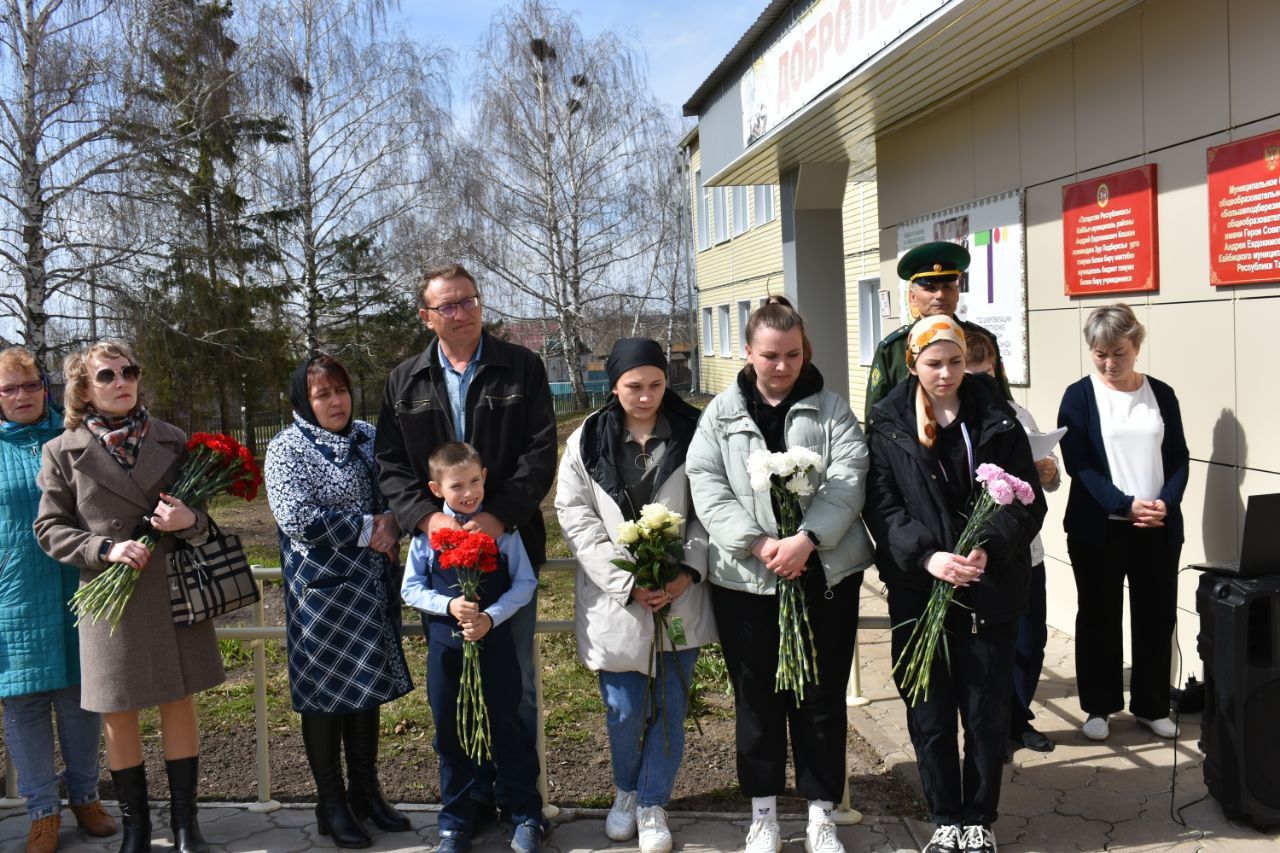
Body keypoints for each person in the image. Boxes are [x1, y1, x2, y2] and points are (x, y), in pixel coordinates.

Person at [686, 296, 875, 853]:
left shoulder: (831, 408)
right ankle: (762, 813)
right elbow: (707, 484)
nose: (783, 366)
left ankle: (821, 810)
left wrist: (807, 540)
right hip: (747, 579)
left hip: (822, 577)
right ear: (748, 352)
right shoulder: (720, 414)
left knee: (820, 696)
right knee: (757, 698)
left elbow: (848, 478)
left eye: (793, 354)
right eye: (770, 355)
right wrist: (760, 542)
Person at [375, 263, 556, 825]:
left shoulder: (520, 367)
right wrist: (427, 522)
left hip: (506, 552)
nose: (463, 312)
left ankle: (520, 801)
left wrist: (501, 516)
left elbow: (540, 450)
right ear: (427, 317)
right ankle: (472, 800)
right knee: (455, 692)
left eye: (469, 300)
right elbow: (390, 463)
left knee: (515, 687)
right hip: (441, 563)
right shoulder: (405, 380)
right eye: (448, 305)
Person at [35, 340, 226, 853]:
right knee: (119, 712)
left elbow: (203, 518)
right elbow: (48, 528)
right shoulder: (61, 450)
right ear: (83, 388)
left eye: (129, 371)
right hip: (108, 598)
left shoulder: (172, 439)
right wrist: (103, 548)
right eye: (106, 375)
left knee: (179, 701)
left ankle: (187, 827)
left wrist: (189, 521)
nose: (121, 381)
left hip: (171, 592)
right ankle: (138, 832)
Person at [863, 317, 1045, 853]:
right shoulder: (889, 422)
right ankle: (945, 815)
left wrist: (987, 546)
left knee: (987, 711)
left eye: (955, 362)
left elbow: (1026, 499)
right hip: (921, 592)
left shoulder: (998, 418)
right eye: (934, 363)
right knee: (931, 709)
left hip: (989, 587)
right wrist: (928, 558)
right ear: (914, 363)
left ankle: (979, 818)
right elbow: (882, 503)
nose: (946, 374)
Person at [554, 338, 717, 853]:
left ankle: (651, 804)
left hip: (678, 596)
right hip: (616, 597)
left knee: (670, 706)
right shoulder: (587, 438)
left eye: (655, 384)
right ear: (614, 385)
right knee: (623, 708)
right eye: (633, 386)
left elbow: (710, 508)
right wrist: (627, 579)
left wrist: (685, 571)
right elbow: (575, 514)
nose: (645, 396)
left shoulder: (696, 432)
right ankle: (624, 792)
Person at [264, 354, 415, 849]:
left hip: (371, 589)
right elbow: (296, 518)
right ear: (304, 402)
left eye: (341, 390)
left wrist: (394, 517)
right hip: (322, 597)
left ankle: (367, 793)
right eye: (322, 394)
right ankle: (331, 802)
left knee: (365, 691)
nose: (335, 401)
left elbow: (399, 486)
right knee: (326, 698)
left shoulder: (369, 436)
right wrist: (371, 527)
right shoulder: (287, 447)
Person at [401, 441, 547, 853]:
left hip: (495, 641)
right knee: (452, 728)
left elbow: (525, 583)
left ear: (485, 479)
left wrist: (492, 616)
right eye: (457, 486)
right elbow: (411, 587)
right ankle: (455, 822)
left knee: (508, 724)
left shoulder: (501, 531)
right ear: (436, 489)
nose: (468, 493)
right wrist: (448, 604)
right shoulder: (428, 536)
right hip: (448, 648)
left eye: (474, 482)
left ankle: (525, 815)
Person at [0, 347, 116, 853]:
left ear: (45, 388)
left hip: (77, 582)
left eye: (29, 386)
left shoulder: (73, 436)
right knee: (23, 703)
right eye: (9, 389)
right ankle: (42, 808)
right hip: (14, 595)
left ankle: (86, 795)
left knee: (80, 696)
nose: (21, 396)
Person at [1057, 304, 1188, 742]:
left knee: (1156, 616)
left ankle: (1151, 705)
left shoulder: (1161, 394)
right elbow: (1079, 463)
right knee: (1098, 615)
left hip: (1156, 525)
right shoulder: (1078, 396)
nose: (1109, 363)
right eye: (1099, 354)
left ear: (1137, 345)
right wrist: (1124, 504)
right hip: (1101, 527)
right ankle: (1098, 707)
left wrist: (1166, 503)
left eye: (1118, 352)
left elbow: (1179, 458)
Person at [964, 332, 1061, 755]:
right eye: (972, 377)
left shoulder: (1018, 415)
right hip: (978, 553)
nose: (980, 385)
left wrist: (1048, 473)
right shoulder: (952, 422)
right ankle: (992, 726)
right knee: (988, 645)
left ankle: (1018, 719)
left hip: (1026, 550)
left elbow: (1053, 482)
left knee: (1030, 639)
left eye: (987, 375)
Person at [864, 241, 1010, 420]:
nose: (940, 295)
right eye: (930, 288)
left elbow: (1004, 402)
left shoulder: (982, 340)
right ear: (913, 297)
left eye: (947, 287)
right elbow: (876, 417)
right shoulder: (892, 349)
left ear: (957, 293)